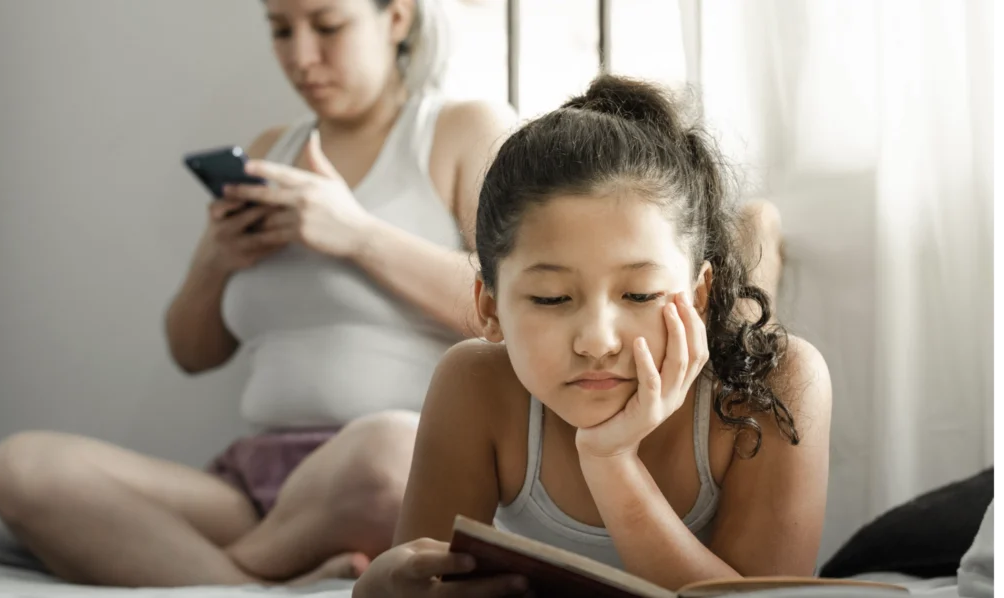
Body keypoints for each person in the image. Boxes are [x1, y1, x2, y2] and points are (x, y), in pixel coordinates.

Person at [0, 0, 515, 588]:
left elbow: (513, 310)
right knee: (22, 468)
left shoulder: (461, 129)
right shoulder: (269, 152)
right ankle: (270, 577)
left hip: (380, 473)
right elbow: (192, 352)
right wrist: (216, 258)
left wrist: (357, 235)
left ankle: (216, 572)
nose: (301, 56)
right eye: (281, 30)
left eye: (328, 26)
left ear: (396, 19)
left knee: (391, 447)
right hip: (259, 482)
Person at [351, 75, 832, 598]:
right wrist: (375, 588)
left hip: (728, 357)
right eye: (552, 298)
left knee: (746, 328)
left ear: (697, 294)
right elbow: (422, 577)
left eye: (641, 295)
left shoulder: (777, 385)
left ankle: (757, 243)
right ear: (489, 306)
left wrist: (611, 461)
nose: (597, 342)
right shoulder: (475, 384)